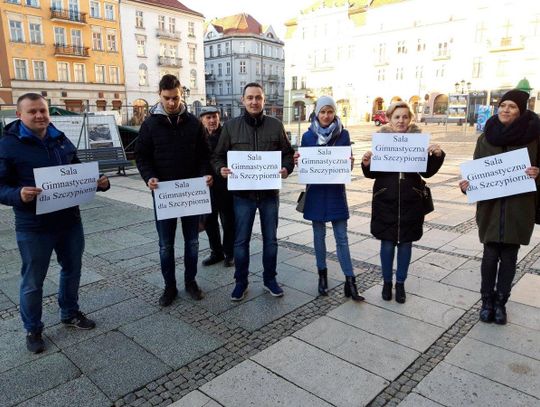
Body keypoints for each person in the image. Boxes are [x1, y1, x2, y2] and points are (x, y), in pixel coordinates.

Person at [0, 93, 110, 353]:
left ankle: (70, 313)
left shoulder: (59, 137)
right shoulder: (7, 145)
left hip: (69, 220)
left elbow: (77, 170)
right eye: (33, 112)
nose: (39, 116)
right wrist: (18, 195)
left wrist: (99, 182)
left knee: (72, 269)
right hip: (33, 225)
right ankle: (33, 328)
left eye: (43, 111)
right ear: (19, 115)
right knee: (33, 280)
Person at [459, 89, 540, 325]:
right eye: (503, 105)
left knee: (509, 257)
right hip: (490, 208)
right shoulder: (486, 137)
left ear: (522, 110)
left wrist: (538, 173)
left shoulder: (534, 137)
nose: (505, 110)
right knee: (489, 254)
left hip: (519, 207)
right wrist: (467, 185)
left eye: (512, 107)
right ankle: (486, 301)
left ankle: (501, 302)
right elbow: (476, 171)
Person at [212, 83, 295, 301]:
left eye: (258, 97)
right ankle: (241, 282)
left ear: (264, 100)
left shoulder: (276, 126)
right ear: (243, 100)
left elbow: (287, 153)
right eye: (250, 98)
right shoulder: (230, 127)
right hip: (243, 196)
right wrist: (221, 169)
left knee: (271, 240)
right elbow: (218, 156)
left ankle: (270, 279)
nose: (254, 102)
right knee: (241, 241)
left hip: (269, 195)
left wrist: (286, 168)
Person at [135, 74, 212, 306]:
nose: (172, 103)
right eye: (167, 98)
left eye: (175, 98)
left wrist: (205, 174)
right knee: (165, 245)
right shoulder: (149, 125)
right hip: (164, 194)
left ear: (181, 95)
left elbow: (204, 155)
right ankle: (170, 287)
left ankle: (190, 282)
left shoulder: (194, 123)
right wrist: (149, 177)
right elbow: (142, 156)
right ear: (159, 95)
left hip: (191, 194)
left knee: (193, 243)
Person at [361, 101, 445, 303]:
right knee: (387, 244)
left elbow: (427, 172)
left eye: (405, 117)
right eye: (397, 117)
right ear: (389, 119)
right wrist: (366, 163)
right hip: (385, 200)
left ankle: (400, 284)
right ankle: (387, 283)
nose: (401, 120)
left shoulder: (418, 142)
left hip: (411, 201)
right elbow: (372, 173)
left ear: (410, 119)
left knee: (406, 244)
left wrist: (437, 155)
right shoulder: (381, 142)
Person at [294, 96, 364, 301]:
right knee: (318, 236)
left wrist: (350, 162)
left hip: (335, 193)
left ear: (335, 113)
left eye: (330, 112)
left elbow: (347, 166)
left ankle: (350, 280)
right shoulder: (307, 137)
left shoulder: (343, 135)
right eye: (322, 112)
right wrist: (299, 162)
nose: (326, 116)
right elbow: (305, 166)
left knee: (342, 237)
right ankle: (322, 276)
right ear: (316, 113)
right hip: (316, 192)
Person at [199, 106, 234, 268]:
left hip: (225, 185)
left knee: (228, 221)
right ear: (202, 120)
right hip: (206, 185)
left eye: (214, 117)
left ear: (219, 118)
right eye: (208, 117)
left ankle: (229, 253)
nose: (212, 120)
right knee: (209, 221)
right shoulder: (198, 136)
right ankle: (216, 252)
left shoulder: (227, 133)